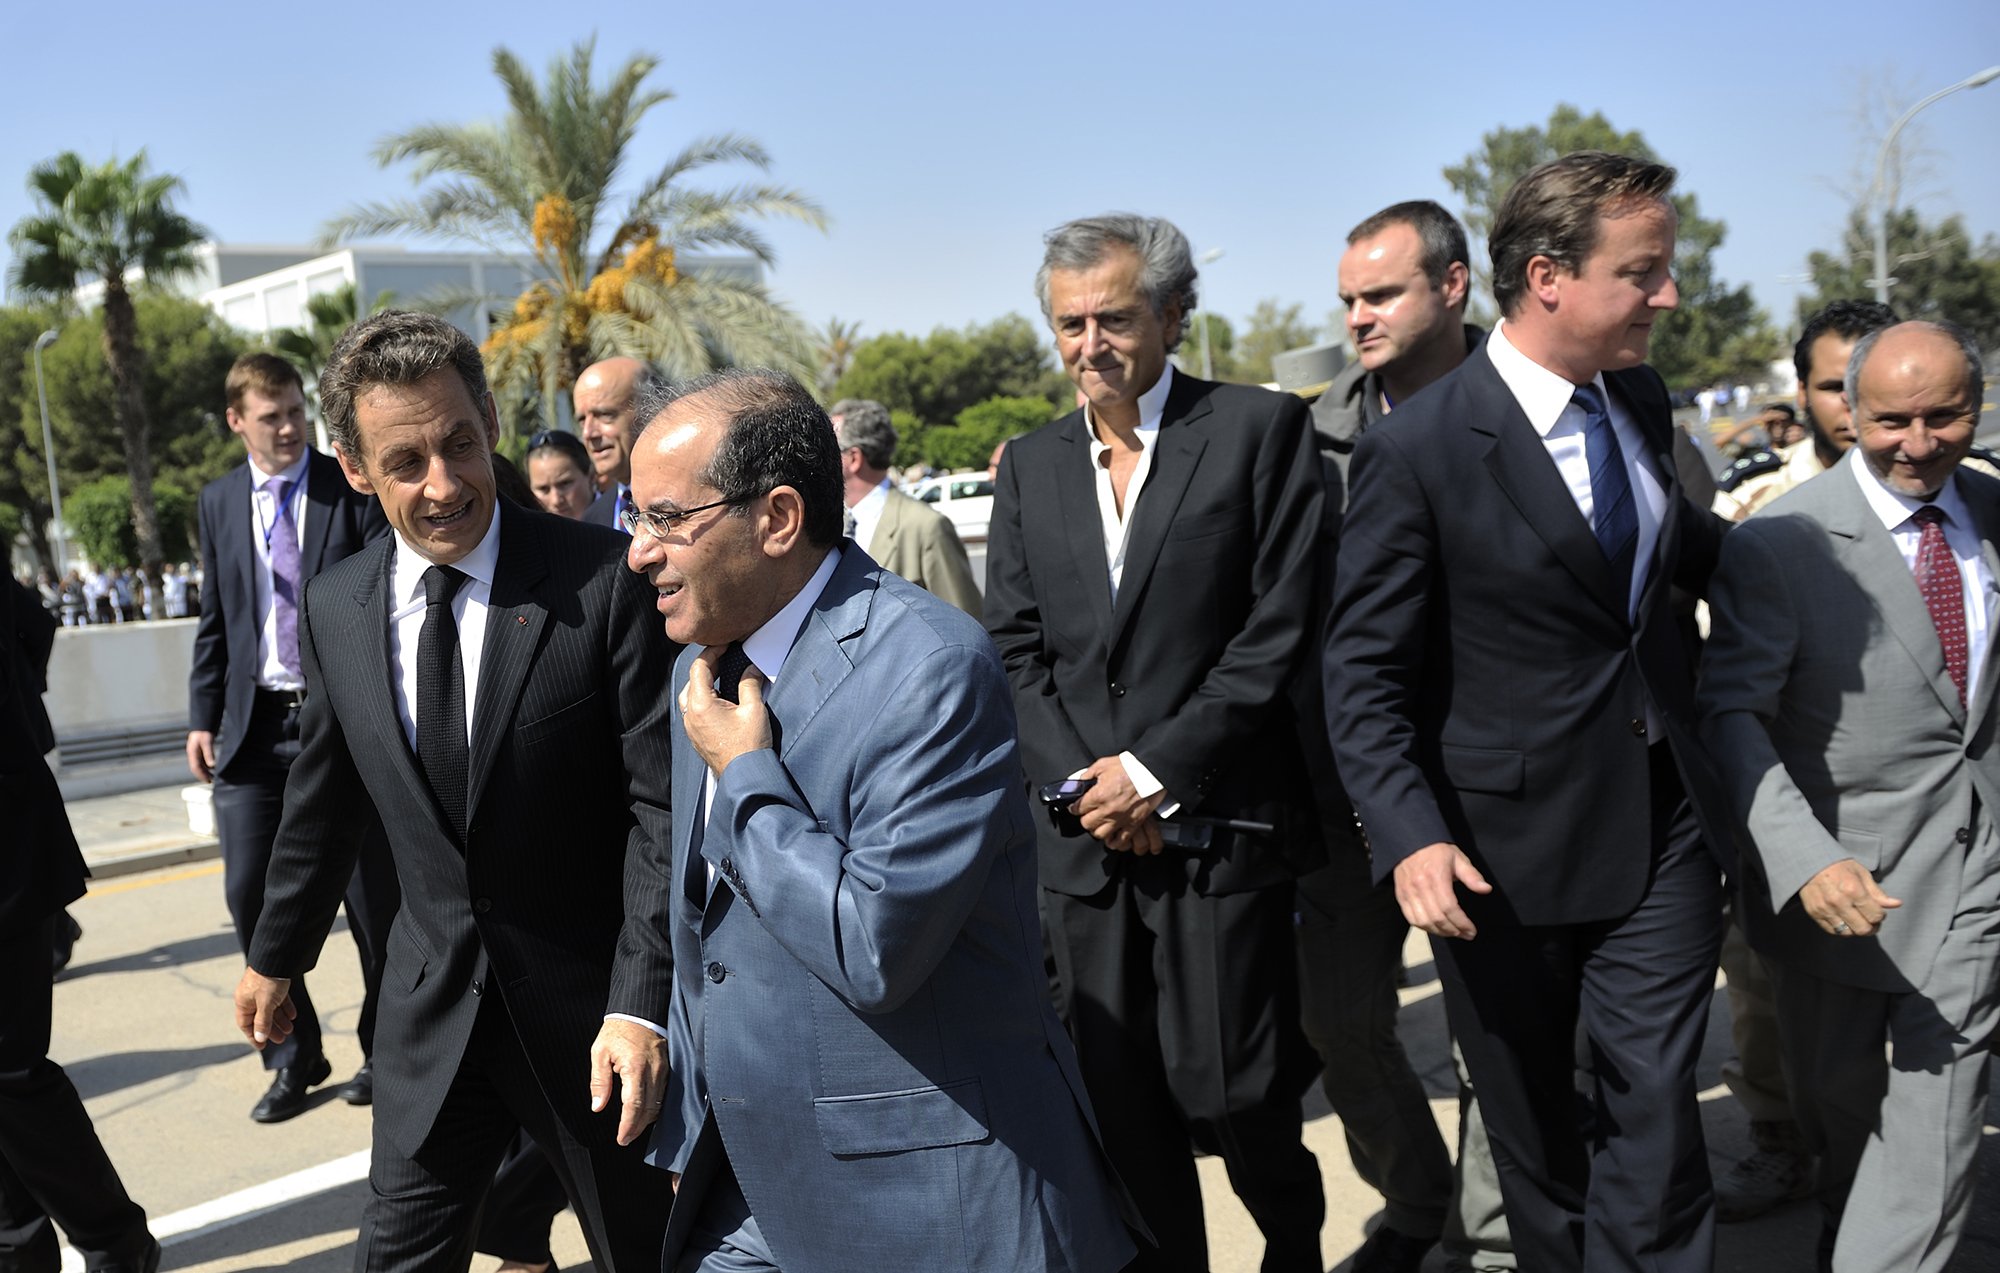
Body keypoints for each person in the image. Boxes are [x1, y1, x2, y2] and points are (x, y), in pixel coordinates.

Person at [628, 368, 1134, 1272]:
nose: (639, 550)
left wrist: (745, 773)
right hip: (742, 1193)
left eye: (668, 519)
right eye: (637, 518)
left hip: (924, 1199)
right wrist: (690, 1129)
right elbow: (702, 919)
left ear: (778, 517)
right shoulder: (696, 672)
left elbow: (876, 946)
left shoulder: (932, 667)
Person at [1326, 151, 1729, 1273]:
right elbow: (1360, 673)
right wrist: (1408, 834)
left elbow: (1681, 560)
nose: (1667, 295)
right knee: (1538, 1139)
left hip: (1663, 829)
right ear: (1545, 277)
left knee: (1652, 1113)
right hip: (1498, 863)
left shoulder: (1639, 399)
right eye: (1642, 272)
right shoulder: (1414, 450)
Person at [231, 311, 677, 1273]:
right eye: (406, 462)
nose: (443, 485)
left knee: (649, 1257)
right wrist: (278, 954)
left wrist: (640, 1003)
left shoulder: (601, 582)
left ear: (488, 422)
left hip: (591, 1028)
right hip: (431, 1018)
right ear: (353, 468)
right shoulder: (339, 605)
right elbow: (325, 795)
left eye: (459, 444)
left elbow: (661, 811)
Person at [986, 213, 1327, 1271]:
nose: (1090, 344)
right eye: (1068, 323)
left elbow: (1276, 630)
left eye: (1114, 319)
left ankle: (1291, 1248)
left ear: (1174, 316)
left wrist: (1153, 773)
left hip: (1217, 834)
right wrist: (1095, 789)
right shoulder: (1028, 466)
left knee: (1241, 1094)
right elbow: (1013, 647)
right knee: (1116, 1106)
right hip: (1085, 856)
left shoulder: (1259, 431)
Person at [1702, 320, 1997, 1272]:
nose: (1919, 443)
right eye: (1892, 420)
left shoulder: (1993, 508)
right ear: (1849, 412)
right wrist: (1804, 857)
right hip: (1838, 892)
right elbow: (1731, 717)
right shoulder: (1781, 541)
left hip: (1974, 880)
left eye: (1944, 415)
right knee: (1841, 1108)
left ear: (1979, 404)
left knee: (1930, 1132)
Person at [1303, 199, 1508, 1273]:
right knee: (1339, 1020)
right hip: (1348, 792)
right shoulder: (1313, 436)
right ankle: (1415, 1199)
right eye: (1346, 299)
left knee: (1489, 1037)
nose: (1356, 317)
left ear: (1454, 285)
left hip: (1491, 783)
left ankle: (1489, 1236)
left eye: (1379, 294)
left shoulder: (1526, 406)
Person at [187, 351, 397, 1122]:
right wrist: (202, 712)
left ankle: (384, 1045)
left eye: (295, 411)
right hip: (252, 729)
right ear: (237, 419)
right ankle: (293, 1051)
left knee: (372, 902)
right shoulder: (217, 501)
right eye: (270, 415)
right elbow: (219, 616)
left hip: (338, 721)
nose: (287, 426)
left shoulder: (346, 484)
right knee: (250, 892)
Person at [1, 571, 161, 1273]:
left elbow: (34, 620)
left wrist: (15, 711)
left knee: (10, 1071)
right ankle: (20, 1241)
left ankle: (113, 1239)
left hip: (6, 851)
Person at [1714, 301, 1899, 522]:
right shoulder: (1751, 491)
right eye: (1834, 387)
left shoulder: (1941, 486)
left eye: (1874, 388)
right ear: (1802, 392)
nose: (1855, 406)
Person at [827, 398, 982, 613]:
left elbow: (965, 620)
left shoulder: (927, 527)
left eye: (829, 448)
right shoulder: (829, 523)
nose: (820, 457)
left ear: (854, 458)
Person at [573, 356, 665, 530]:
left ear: (651, 411)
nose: (588, 433)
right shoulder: (592, 521)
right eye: (582, 420)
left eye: (604, 414)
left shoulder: (692, 503)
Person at [524, 428, 598, 520]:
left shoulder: (618, 522)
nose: (556, 500)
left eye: (565, 484)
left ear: (591, 477)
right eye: (544, 489)